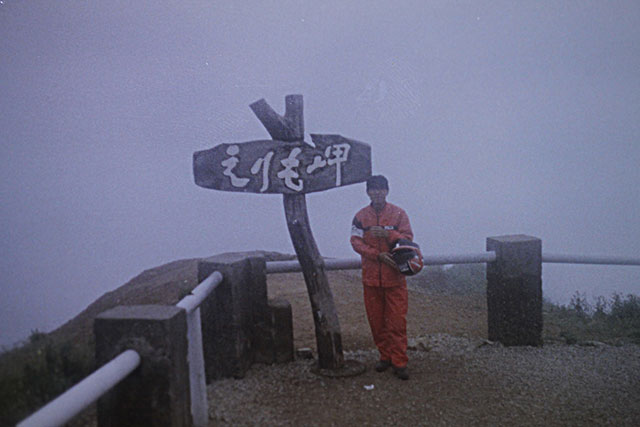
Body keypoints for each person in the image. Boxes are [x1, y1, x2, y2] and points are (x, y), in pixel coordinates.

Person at [350, 175, 413, 380]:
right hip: (371, 280)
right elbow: (355, 242)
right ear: (367, 192)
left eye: (381, 189)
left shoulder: (399, 214)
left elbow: (408, 239)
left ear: (387, 191)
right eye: (373, 189)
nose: (377, 193)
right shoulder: (360, 216)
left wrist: (388, 235)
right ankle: (385, 357)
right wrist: (377, 255)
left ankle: (399, 362)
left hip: (395, 278)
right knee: (377, 322)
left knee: (396, 322)